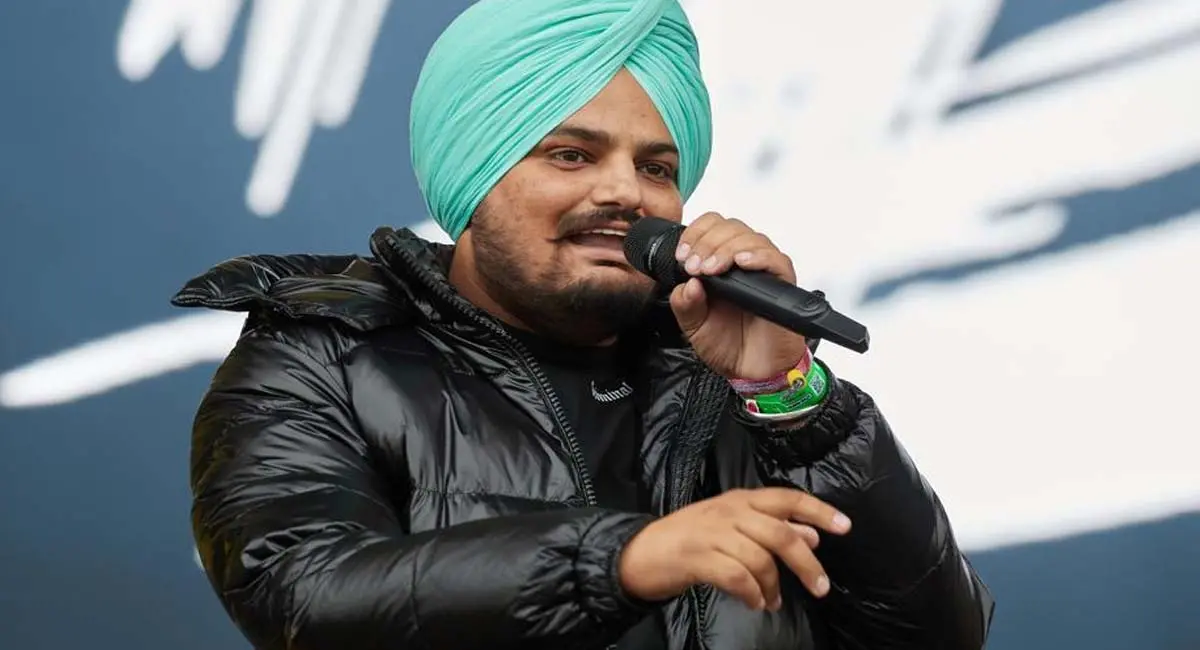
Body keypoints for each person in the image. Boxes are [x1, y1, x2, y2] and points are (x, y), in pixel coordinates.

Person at [174, 1, 994, 648]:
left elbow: (938, 637)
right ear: (473, 171)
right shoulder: (317, 360)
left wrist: (790, 397)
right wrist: (621, 561)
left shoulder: (732, 376)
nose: (625, 193)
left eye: (656, 167)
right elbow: (305, 597)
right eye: (571, 154)